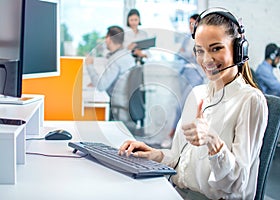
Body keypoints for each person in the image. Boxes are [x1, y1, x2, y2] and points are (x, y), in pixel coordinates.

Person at [118, 7, 268, 199]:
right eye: (199, 50)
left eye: (216, 48)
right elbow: (180, 159)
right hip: (178, 192)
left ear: (239, 50)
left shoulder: (250, 100)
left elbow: (237, 184)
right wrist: (154, 155)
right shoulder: (198, 94)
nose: (206, 60)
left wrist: (212, 142)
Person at [161, 14, 207, 148]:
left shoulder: (202, 38)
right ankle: (176, 138)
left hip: (196, 77)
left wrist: (188, 53)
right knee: (181, 106)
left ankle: (173, 136)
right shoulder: (187, 38)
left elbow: (195, 55)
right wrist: (187, 53)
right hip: (184, 74)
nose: (191, 26)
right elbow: (180, 54)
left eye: (193, 24)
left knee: (183, 106)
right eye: (189, 23)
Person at [85, 25, 136, 121]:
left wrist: (89, 65)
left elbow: (101, 86)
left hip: (119, 107)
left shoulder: (115, 59)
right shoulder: (128, 56)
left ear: (108, 39)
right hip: (129, 105)